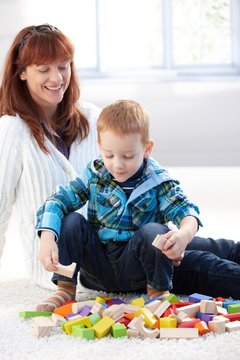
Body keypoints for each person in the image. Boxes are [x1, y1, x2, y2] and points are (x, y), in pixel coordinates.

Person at [36, 99, 240, 312]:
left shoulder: (158, 180)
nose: (117, 164)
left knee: (188, 242)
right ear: (99, 147)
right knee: (70, 221)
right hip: (99, 268)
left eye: (128, 156)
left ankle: (159, 293)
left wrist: (183, 236)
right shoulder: (94, 174)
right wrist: (48, 236)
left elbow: (186, 212)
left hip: (144, 265)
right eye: (109, 155)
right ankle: (65, 289)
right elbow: (57, 202)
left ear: (147, 149)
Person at [0, 24, 100, 289]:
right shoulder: (12, 129)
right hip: (54, 271)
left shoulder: (94, 117)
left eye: (63, 66)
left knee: (200, 255)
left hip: (107, 262)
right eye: (44, 70)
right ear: (21, 72)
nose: (56, 79)